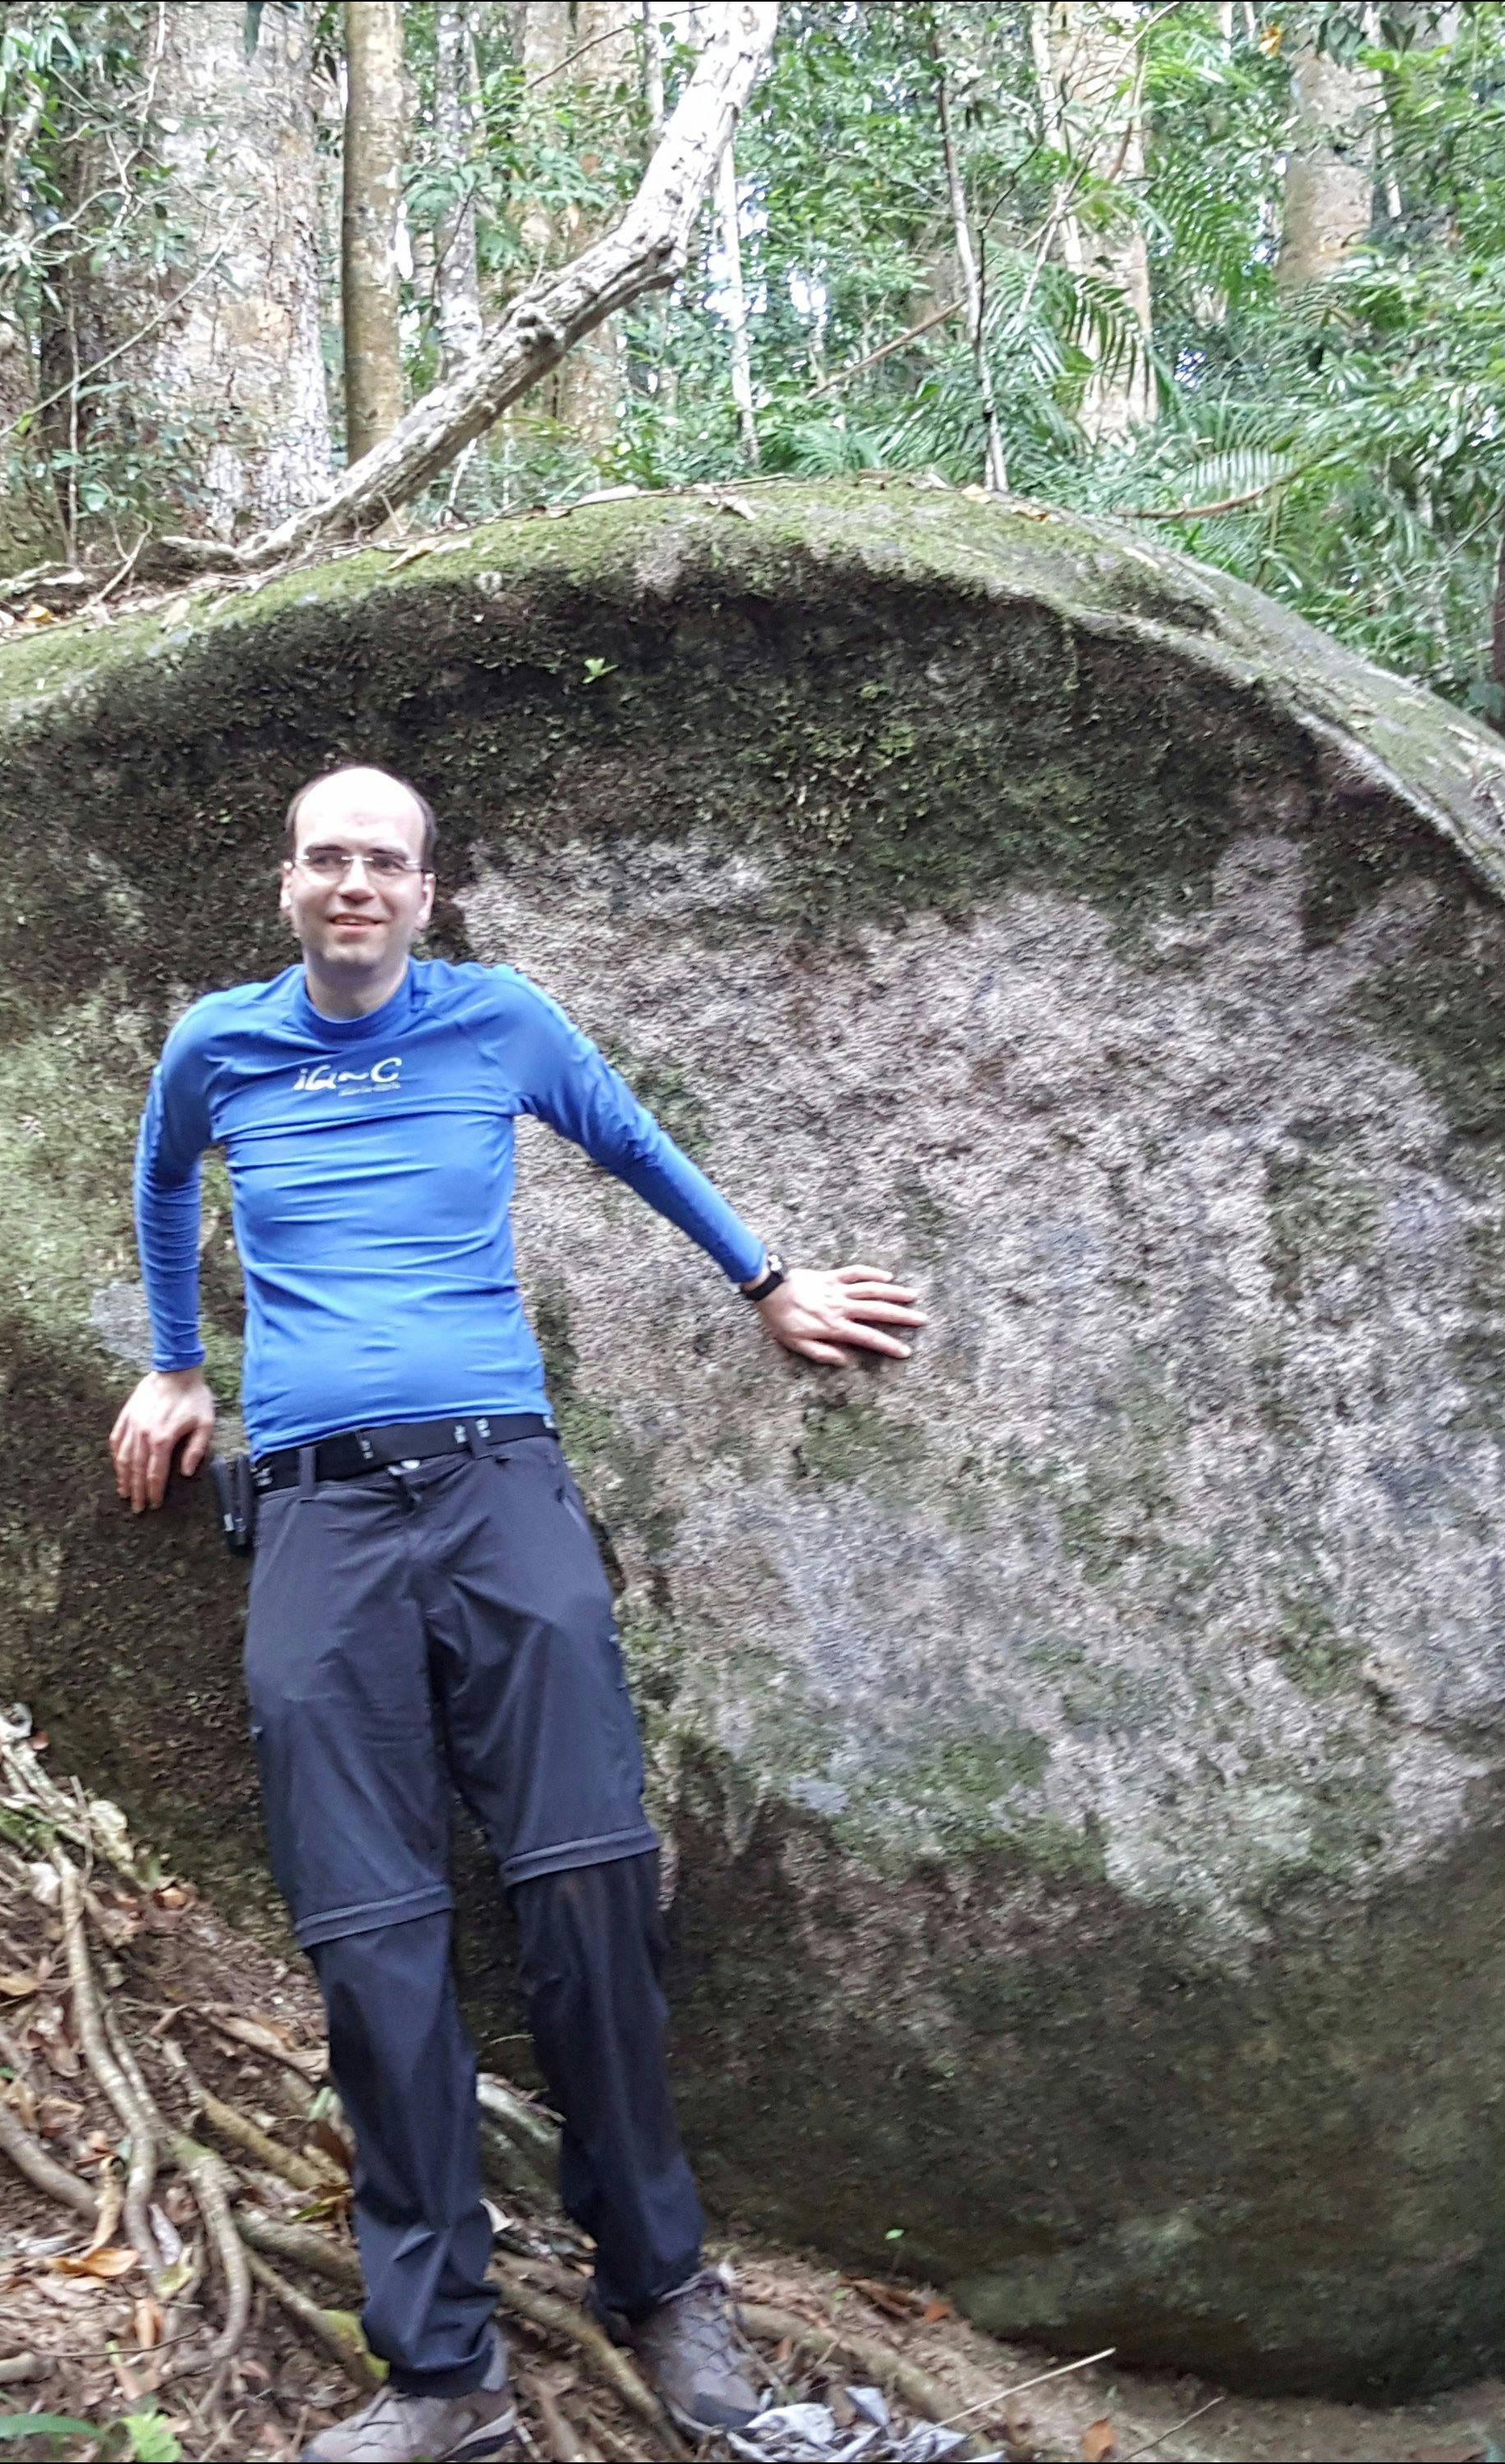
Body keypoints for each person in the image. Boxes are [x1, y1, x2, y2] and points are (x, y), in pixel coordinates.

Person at [112, 765, 929, 2463]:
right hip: (321, 1513)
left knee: (586, 1885)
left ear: (427, 889)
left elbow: (630, 1138)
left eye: (384, 863)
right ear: (288, 882)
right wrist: (178, 1362)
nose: (355, 884)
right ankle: (440, 2376)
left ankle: (668, 2294)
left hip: (500, 1487)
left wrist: (770, 1283)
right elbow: (162, 1181)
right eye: (327, 857)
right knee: (370, 1929)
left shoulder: (500, 1022)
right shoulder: (218, 1044)